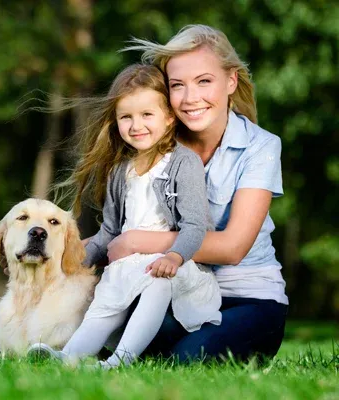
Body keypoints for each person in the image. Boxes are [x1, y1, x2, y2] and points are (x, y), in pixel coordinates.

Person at [104, 24, 289, 363]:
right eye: (177, 86)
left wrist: (134, 241)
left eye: (204, 81)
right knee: (123, 338)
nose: (190, 98)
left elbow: (232, 248)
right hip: (181, 294)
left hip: (249, 299)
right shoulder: (156, 147)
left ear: (230, 81)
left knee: (187, 359)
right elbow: (111, 230)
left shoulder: (260, 147)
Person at [27, 64, 221, 368]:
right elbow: (109, 231)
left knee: (156, 283)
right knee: (104, 306)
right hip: (129, 265)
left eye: (147, 115)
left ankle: (121, 360)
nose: (136, 125)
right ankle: (68, 358)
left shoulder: (184, 163)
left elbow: (195, 226)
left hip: (173, 266)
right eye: (126, 117)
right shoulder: (121, 171)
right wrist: (79, 260)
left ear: (169, 119)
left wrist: (174, 257)